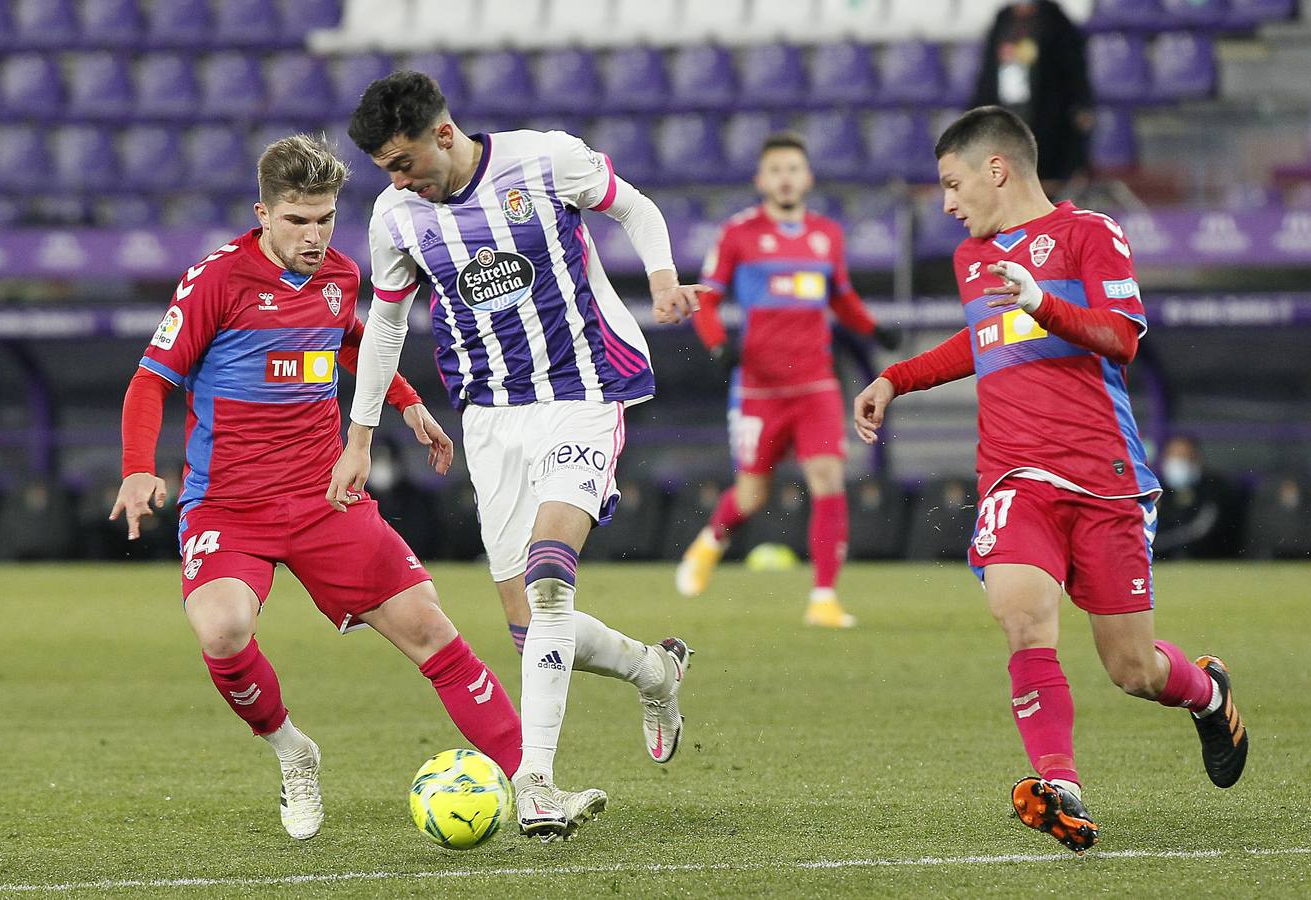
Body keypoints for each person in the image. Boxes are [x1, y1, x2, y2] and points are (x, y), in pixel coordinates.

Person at [109, 135, 529, 842]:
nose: (313, 235)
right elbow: (151, 380)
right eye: (297, 220)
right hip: (229, 506)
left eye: (325, 219)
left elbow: (352, 339)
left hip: (323, 497)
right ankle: (291, 751)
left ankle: (535, 783)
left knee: (432, 630)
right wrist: (136, 466)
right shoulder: (216, 280)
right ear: (263, 215)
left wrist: (406, 402)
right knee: (222, 631)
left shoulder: (338, 276)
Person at [853, 107, 1247, 854]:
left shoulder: (1089, 234)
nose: (946, 203)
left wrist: (1040, 300)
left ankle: (1206, 692)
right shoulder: (971, 258)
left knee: (1132, 669)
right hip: (1015, 475)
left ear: (996, 169)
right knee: (1021, 613)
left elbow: (1120, 337)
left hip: (1104, 476)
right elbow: (985, 338)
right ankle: (1061, 787)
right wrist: (897, 378)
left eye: (952, 184)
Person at [330, 72, 698, 842]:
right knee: (531, 625)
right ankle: (653, 671)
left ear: (442, 134)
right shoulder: (397, 216)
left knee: (549, 573)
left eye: (403, 163)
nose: (397, 182)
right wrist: (359, 437)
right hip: (490, 419)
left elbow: (632, 206)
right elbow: (386, 326)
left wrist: (662, 277)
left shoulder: (542, 160)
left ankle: (534, 782)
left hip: (583, 390)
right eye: (384, 171)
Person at [674, 131, 898, 628]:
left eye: (793, 169)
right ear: (761, 180)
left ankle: (824, 598)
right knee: (751, 495)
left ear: (808, 177)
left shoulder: (827, 234)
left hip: (816, 385)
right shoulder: (738, 233)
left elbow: (841, 296)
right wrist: (717, 343)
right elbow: (707, 301)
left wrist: (872, 328)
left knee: (828, 479)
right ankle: (711, 540)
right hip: (760, 389)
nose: (785, 178)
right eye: (776, 170)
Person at [971, 0, 1093, 192]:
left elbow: (1074, 69)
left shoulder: (1056, 21)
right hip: (1006, 115)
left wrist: (1082, 103)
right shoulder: (1002, 20)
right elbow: (988, 72)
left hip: (1046, 119)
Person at [1154, 433, 1238, 559]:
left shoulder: (1214, 488)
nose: (1178, 462)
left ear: (1197, 458)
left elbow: (1202, 529)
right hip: (1163, 560)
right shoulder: (1158, 490)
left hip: (1208, 558)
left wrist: (1156, 545)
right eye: (1174, 456)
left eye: (1184, 456)